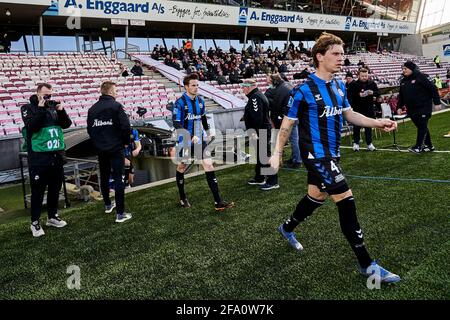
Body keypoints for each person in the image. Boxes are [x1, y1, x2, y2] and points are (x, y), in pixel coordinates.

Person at [270, 32, 401, 284]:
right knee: (346, 200)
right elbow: (287, 125)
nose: (342, 58)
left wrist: (377, 122)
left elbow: (350, 115)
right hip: (316, 155)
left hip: (332, 154)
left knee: (316, 196)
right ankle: (367, 265)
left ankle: (287, 228)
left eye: (342, 54)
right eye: (336, 54)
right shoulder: (303, 90)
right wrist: (277, 153)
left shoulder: (339, 86)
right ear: (320, 57)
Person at [172, 73, 234, 210]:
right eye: (193, 85)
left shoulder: (200, 101)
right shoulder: (180, 103)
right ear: (186, 86)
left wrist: (208, 130)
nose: (196, 88)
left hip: (200, 140)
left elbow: (203, 118)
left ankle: (218, 202)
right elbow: (176, 123)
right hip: (185, 140)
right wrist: (190, 135)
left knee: (209, 165)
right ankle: (182, 197)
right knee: (182, 167)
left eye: (197, 85)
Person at [21, 83, 72, 237]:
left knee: (55, 189)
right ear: (38, 93)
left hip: (56, 156)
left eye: (50, 95)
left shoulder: (53, 108)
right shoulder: (27, 108)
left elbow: (66, 124)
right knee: (38, 191)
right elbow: (32, 127)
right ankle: (35, 222)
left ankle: (52, 216)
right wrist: (42, 109)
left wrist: (61, 111)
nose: (48, 98)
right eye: (45, 95)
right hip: (38, 158)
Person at [87, 82, 132, 223]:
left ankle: (107, 205)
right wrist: (125, 142)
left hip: (100, 149)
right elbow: (126, 126)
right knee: (119, 179)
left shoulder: (92, 109)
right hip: (116, 147)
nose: (117, 93)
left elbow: (90, 130)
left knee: (105, 176)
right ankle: (120, 214)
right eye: (116, 90)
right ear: (111, 91)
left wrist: (98, 143)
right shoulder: (116, 106)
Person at [242, 79, 279, 191]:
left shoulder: (255, 97)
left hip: (260, 131)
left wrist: (254, 131)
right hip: (261, 130)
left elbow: (257, 117)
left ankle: (273, 181)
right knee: (259, 155)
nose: (242, 89)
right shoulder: (256, 96)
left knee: (264, 156)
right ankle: (259, 177)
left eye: (243, 87)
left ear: (249, 87)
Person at [398, 61, 441, 153]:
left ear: (411, 69)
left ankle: (418, 146)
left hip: (424, 107)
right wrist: (399, 107)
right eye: (403, 68)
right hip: (412, 109)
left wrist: (437, 103)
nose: (403, 70)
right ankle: (429, 146)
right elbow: (401, 96)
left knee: (422, 125)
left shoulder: (421, 77)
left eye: (405, 68)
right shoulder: (403, 81)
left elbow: (433, 89)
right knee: (422, 127)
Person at [348, 68, 380, 151]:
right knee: (356, 126)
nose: (364, 77)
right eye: (362, 76)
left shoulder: (372, 83)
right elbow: (349, 96)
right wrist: (358, 95)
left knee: (368, 126)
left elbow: (378, 92)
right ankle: (356, 144)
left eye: (366, 76)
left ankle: (369, 144)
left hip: (369, 108)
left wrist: (372, 93)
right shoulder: (353, 84)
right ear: (358, 75)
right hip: (357, 108)